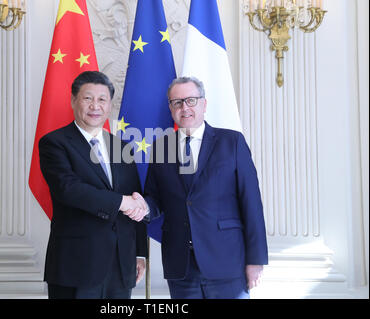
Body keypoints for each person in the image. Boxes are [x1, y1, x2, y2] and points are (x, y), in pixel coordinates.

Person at [142, 76, 268, 299]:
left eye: (191, 100)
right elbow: (155, 199)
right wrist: (139, 205)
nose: (185, 108)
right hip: (181, 267)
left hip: (227, 262)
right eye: (177, 102)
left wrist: (256, 260)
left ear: (204, 104)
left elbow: (251, 203)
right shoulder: (161, 147)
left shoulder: (232, 142)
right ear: (171, 108)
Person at [39, 71, 148, 299]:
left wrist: (139, 253)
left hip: (121, 266)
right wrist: (121, 201)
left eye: (102, 99)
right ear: (73, 101)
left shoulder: (122, 148)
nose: (95, 106)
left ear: (109, 106)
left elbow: (136, 200)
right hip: (76, 266)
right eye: (88, 98)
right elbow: (68, 189)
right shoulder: (54, 143)